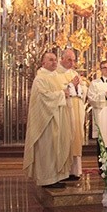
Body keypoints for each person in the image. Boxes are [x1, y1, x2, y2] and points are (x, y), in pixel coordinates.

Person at [23, 51, 73, 188]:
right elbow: (44, 97)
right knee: (47, 149)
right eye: (50, 60)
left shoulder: (55, 76)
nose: (54, 62)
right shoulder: (40, 78)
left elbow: (62, 91)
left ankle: (56, 177)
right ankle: (47, 179)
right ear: (43, 63)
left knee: (56, 147)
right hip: (46, 121)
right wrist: (62, 94)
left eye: (55, 60)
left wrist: (66, 91)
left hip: (58, 118)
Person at [57, 48, 87, 181]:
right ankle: (63, 171)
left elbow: (84, 91)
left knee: (76, 138)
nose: (72, 62)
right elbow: (57, 90)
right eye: (69, 59)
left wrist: (78, 86)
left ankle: (75, 171)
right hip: (64, 112)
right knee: (65, 139)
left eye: (74, 60)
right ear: (62, 59)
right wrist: (70, 85)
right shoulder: (56, 74)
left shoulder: (74, 73)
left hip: (77, 111)